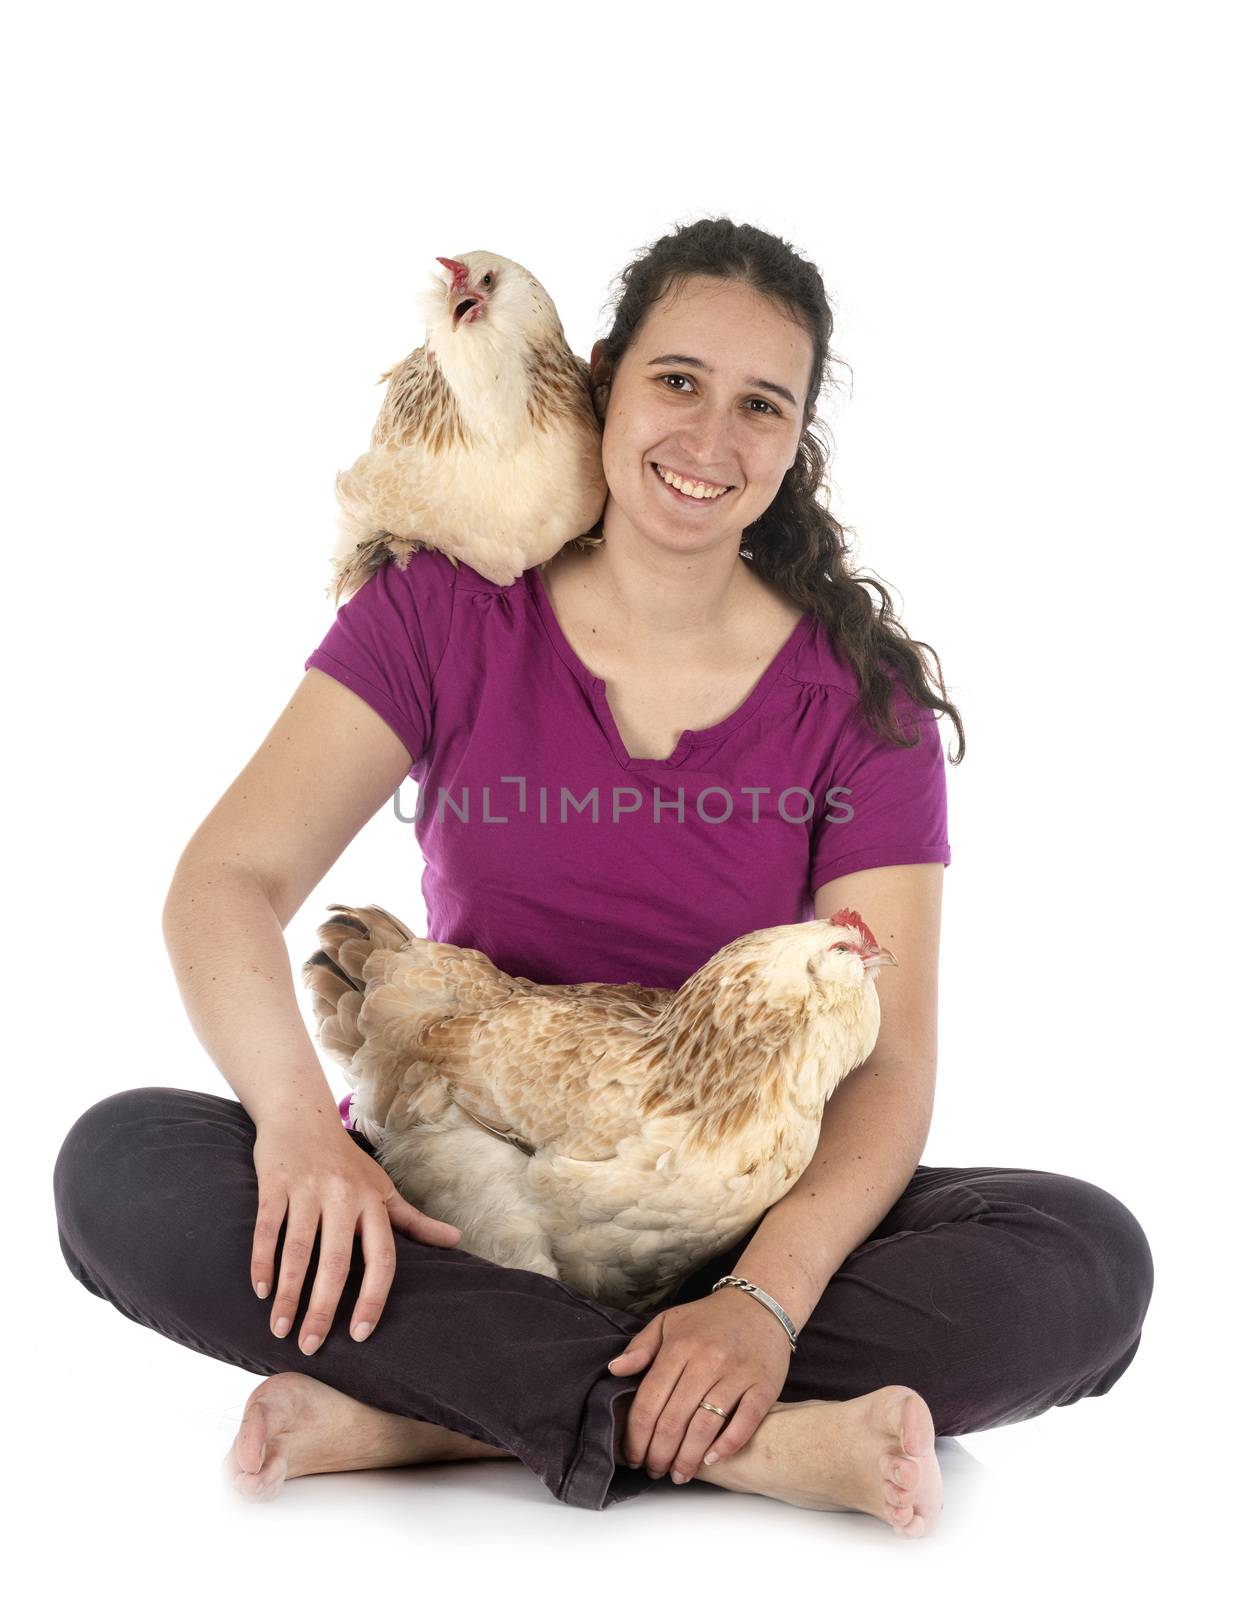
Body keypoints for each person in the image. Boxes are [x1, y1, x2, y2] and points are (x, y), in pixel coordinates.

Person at [52, 218, 1153, 1537]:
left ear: (794, 444)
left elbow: (893, 1062)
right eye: (678, 381)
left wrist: (764, 1295)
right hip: (464, 1188)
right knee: (120, 1167)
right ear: (605, 380)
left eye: (762, 406)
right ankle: (740, 1440)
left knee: (1082, 1263)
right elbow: (226, 878)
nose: (709, 437)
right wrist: (297, 1129)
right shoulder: (447, 611)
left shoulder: (863, 708)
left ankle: (445, 1402)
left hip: (728, 1217)